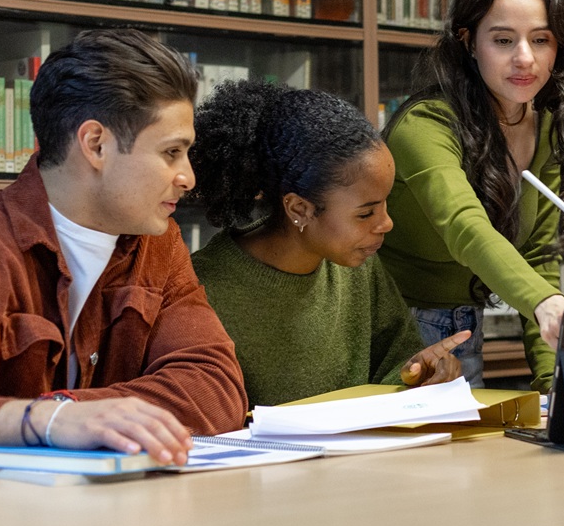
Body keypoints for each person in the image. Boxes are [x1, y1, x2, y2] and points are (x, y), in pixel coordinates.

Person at [0, 29, 247, 472]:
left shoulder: (159, 244)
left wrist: (71, 410)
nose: (188, 177)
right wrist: (45, 422)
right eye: (172, 152)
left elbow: (214, 384)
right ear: (96, 144)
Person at [379, 0, 564, 392]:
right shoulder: (426, 124)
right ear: (467, 42)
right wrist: (545, 303)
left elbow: (539, 256)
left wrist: (554, 379)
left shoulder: (549, 125)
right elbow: (465, 227)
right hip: (392, 332)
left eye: (541, 39)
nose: (524, 58)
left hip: (467, 329)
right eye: (502, 40)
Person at [188, 81, 468, 407]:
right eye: (366, 213)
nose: (386, 223)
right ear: (300, 209)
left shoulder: (356, 265)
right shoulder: (202, 288)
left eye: (384, 204)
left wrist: (420, 373)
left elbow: (394, 368)